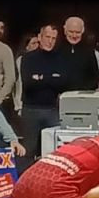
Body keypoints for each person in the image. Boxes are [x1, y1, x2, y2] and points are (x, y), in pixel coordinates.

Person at [21, 24, 70, 157]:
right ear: (39, 37)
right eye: (47, 37)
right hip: (31, 110)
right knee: (29, 149)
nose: (50, 41)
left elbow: (63, 83)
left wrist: (41, 77)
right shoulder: (28, 58)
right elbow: (29, 83)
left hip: (52, 110)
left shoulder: (60, 58)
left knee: (54, 149)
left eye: (53, 38)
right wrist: (52, 77)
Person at [59, 16, 99, 92]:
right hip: (61, 94)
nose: (74, 35)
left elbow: (95, 77)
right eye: (71, 32)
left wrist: (84, 91)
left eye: (77, 32)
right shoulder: (57, 49)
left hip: (83, 94)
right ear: (65, 30)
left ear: (83, 31)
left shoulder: (88, 51)